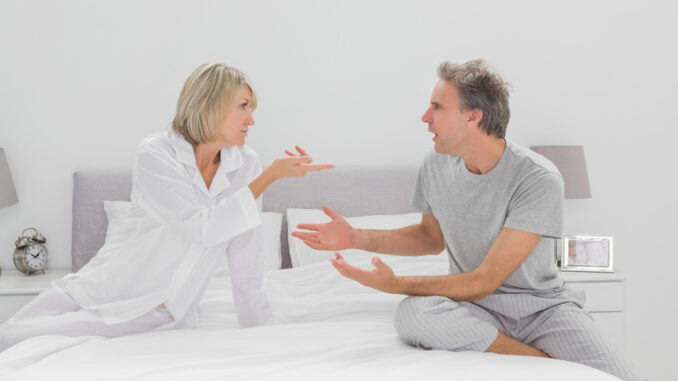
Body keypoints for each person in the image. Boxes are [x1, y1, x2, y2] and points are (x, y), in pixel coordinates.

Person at [292, 60, 641, 380]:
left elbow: (486, 279)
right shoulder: (436, 165)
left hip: (542, 309)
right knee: (413, 314)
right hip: (474, 308)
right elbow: (429, 239)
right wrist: (356, 237)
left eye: (437, 107)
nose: (425, 117)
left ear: (472, 117)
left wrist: (396, 283)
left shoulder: (536, 178)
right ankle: (543, 365)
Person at [0, 62, 333, 351]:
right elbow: (203, 227)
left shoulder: (246, 163)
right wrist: (270, 177)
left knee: (20, 339)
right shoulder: (155, 155)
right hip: (102, 286)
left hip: (159, 310)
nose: (252, 120)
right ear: (208, 103)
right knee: (10, 333)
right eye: (244, 106)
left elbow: (246, 257)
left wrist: (259, 331)